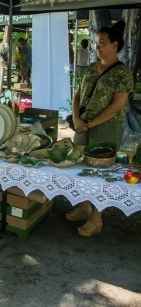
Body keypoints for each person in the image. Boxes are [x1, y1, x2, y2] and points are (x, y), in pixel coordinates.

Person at [66, 20, 134, 237]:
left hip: (107, 127)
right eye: (96, 43)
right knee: (80, 165)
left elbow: (117, 106)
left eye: (103, 42)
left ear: (115, 45)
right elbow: (77, 95)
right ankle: (85, 205)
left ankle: (97, 217)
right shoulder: (89, 69)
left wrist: (91, 123)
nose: (98, 46)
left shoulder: (123, 73)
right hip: (82, 124)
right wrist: (76, 119)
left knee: (101, 172)